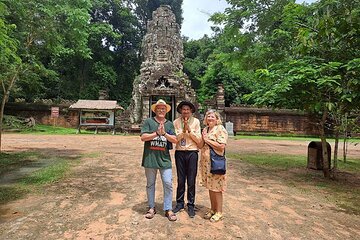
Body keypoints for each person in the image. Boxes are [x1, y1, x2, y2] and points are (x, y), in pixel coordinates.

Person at [140, 99, 178, 221]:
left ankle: (168, 208)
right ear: (155, 110)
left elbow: (175, 139)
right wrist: (156, 133)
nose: (161, 110)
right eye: (158, 108)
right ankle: (151, 207)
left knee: (168, 183)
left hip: (164, 159)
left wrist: (164, 134)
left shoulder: (169, 124)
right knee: (150, 184)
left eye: (163, 109)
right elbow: (143, 137)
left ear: (166, 111)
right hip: (150, 158)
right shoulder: (149, 122)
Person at [172, 101, 202, 218]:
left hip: (192, 152)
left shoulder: (196, 122)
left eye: (187, 109)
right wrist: (183, 131)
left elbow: (198, 140)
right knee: (180, 179)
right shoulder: (176, 122)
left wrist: (189, 130)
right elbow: (175, 139)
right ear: (180, 111)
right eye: (183, 109)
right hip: (180, 152)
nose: (185, 111)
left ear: (191, 111)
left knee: (191, 180)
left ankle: (190, 204)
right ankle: (179, 203)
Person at [199, 109, 228, 222]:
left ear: (217, 119)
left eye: (212, 117)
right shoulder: (205, 129)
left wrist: (207, 140)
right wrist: (202, 137)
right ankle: (213, 209)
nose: (210, 118)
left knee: (217, 188)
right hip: (206, 163)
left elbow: (221, 146)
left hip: (215, 162)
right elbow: (201, 145)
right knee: (210, 187)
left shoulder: (220, 129)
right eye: (208, 116)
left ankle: (219, 211)